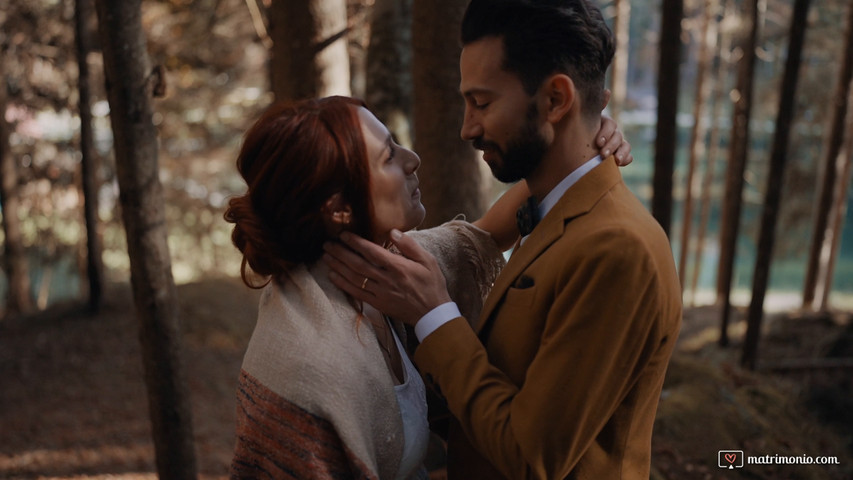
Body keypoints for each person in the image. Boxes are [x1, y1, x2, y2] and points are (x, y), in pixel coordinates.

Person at [323, 1, 683, 478]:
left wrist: (434, 315)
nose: (467, 127)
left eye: (483, 103)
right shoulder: (553, 211)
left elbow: (531, 458)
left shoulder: (617, 250)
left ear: (556, 100)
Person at [224, 96, 630, 479]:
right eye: (388, 156)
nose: (412, 159)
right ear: (338, 208)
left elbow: (485, 234)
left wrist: (581, 144)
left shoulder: (380, 268)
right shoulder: (307, 367)